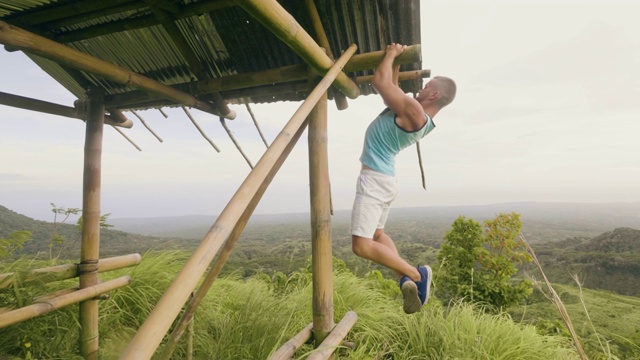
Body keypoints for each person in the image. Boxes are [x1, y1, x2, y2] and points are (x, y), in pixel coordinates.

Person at [350, 43, 456, 314]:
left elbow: (380, 82)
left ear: (432, 93)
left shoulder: (414, 111)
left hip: (374, 180)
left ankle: (417, 275)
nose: (419, 90)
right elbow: (391, 84)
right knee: (377, 234)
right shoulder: (421, 117)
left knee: (362, 246)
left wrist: (391, 54)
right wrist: (394, 60)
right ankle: (406, 278)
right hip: (384, 178)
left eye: (425, 87)